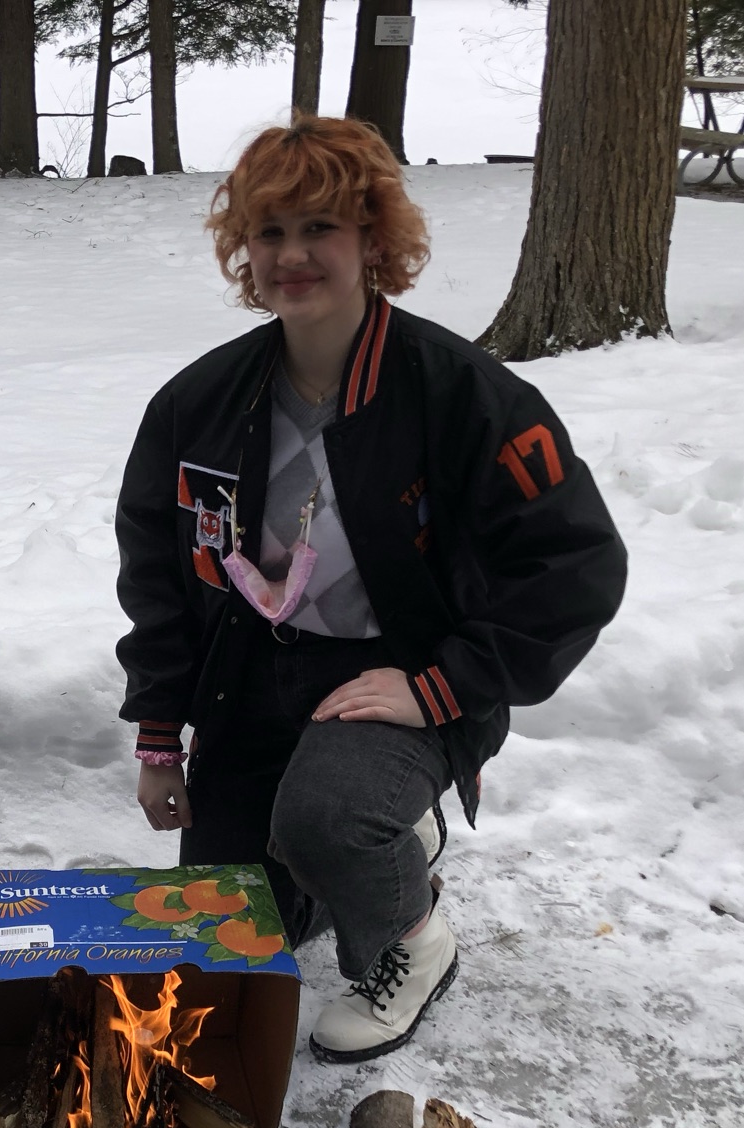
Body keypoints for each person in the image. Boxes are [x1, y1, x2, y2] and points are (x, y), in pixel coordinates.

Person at [112, 116, 626, 1064]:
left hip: (404, 679)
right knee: (228, 946)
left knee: (328, 818)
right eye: (269, 233)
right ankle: (321, 867)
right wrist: (158, 732)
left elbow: (577, 565)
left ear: (373, 242)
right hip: (252, 681)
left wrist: (441, 685)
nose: (292, 254)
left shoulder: (463, 393)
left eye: (320, 229)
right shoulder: (198, 403)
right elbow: (158, 576)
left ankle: (412, 938)